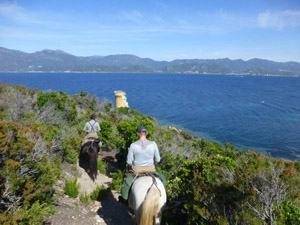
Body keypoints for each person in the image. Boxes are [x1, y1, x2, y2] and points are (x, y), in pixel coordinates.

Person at [120, 125, 165, 201]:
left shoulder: (133, 145)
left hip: (136, 170)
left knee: (126, 181)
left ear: (137, 134)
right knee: (163, 181)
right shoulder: (153, 144)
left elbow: (128, 161)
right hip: (151, 169)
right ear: (146, 133)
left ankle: (125, 199)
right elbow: (158, 159)